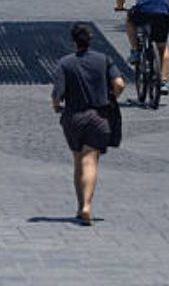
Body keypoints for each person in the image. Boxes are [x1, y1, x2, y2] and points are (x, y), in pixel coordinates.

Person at [52, 22, 125, 226]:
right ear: (90, 39)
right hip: (99, 116)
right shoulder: (104, 60)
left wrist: (57, 107)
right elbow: (119, 83)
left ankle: (79, 206)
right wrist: (112, 98)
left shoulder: (65, 63)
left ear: (73, 41)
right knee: (90, 161)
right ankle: (87, 205)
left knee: (78, 161)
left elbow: (57, 95)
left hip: (74, 117)